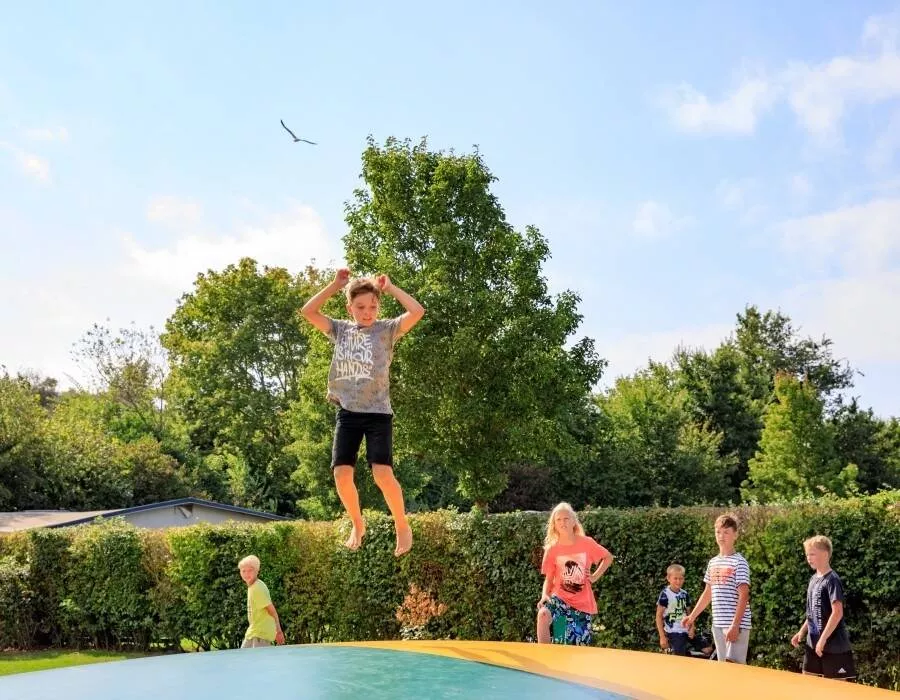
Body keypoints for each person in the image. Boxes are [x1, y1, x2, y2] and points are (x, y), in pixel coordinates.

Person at [301, 268, 425, 556]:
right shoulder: (340, 330)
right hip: (348, 412)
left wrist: (391, 288)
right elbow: (308, 311)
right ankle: (357, 522)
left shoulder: (387, 330)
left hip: (378, 413)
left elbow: (417, 311)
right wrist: (335, 284)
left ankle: (402, 524)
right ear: (350, 308)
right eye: (360, 307)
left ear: (378, 307)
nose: (367, 312)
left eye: (372, 307)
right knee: (341, 474)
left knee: (382, 474)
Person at [536, 502, 614, 646]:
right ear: (554, 524)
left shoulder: (587, 543)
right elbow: (549, 577)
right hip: (560, 601)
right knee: (543, 615)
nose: (562, 522)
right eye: (558, 520)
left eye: (566, 519)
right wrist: (544, 595)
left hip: (582, 606)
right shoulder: (552, 549)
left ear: (573, 521)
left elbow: (608, 557)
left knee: (576, 652)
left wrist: (595, 576)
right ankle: (542, 660)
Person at [682, 514, 752, 663]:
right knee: (724, 668)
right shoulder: (713, 562)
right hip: (718, 625)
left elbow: (744, 595)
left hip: (735, 626)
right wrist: (692, 616)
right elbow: (708, 593)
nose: (721, 536)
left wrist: (735, 625)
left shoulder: (740, 562)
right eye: (718, 532)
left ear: (735, 535)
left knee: (735, 668)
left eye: (726, 532)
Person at [790, 535, 856, 681]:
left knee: (836, 691)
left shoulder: (832, 580)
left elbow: (837, 613)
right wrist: (801, 632)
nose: (809, 558)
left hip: (834, 646)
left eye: (812, 554)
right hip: (812, 644)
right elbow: (812, 612)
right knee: (808, 682)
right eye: (807, 555)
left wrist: (823, 640)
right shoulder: (813, 579)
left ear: (825, 554)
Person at [238, 555, 284, 648]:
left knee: (255, 661)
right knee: (243, 659)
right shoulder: (253, 586)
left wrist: (278, 631)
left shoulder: (257, 588)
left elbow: (272, 611)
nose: (246, 574)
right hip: (254, 632)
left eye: (250, 570)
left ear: (257, 571)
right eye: (243, 571)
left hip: (260, 634)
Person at [655, 563, 694, 656]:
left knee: (707, 649)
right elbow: (658, 616)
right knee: (679, 657)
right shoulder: (665, 595)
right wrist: (662, 637)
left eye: (681, 578)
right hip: (674, 632)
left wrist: (692, 628)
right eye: (675, 578)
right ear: (668, 578)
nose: (678, 581)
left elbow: (690, 614)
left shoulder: (685, 594)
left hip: (686, 630)